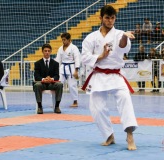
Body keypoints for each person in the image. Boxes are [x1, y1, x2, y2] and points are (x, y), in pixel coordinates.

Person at [81, 5, 138, 150]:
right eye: (107, 17)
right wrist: (100, 56)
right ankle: (108, 135)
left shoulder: (120, 34)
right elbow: (85, 58)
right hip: (98, 75)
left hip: (116, 75)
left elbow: (123, 46)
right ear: (100, 18)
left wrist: (125, 37)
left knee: (125, 99)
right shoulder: (91, 38)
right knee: (96, 107)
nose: (110, 21)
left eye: (112, 18)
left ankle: (129, 135)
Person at [33, 44, 63, 114]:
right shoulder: (37, 63)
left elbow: (57, 76)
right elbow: (36, 76)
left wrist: (51, 79)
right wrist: (44, 79)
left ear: (51, 52)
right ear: (42, 52)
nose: (47, 52)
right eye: (45, 51)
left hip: (51, 84)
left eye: (48, 51)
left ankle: (57, 106)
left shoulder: (55, 63)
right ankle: (40, 107)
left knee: (60, 84)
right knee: (37, 85)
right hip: (42, 84)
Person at [55, 32, 80, 107]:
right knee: (58, 84)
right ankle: (56, 101)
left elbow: (77, 59)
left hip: (71, 68)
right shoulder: (60, 48)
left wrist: (76, 70)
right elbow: (58, 60)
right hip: (62, 68)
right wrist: (55, 69)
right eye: (62, 40)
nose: (63, 41)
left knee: (72, 85)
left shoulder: (74, 48)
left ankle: (75, 101)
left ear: (69, 40)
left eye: (65, 40)